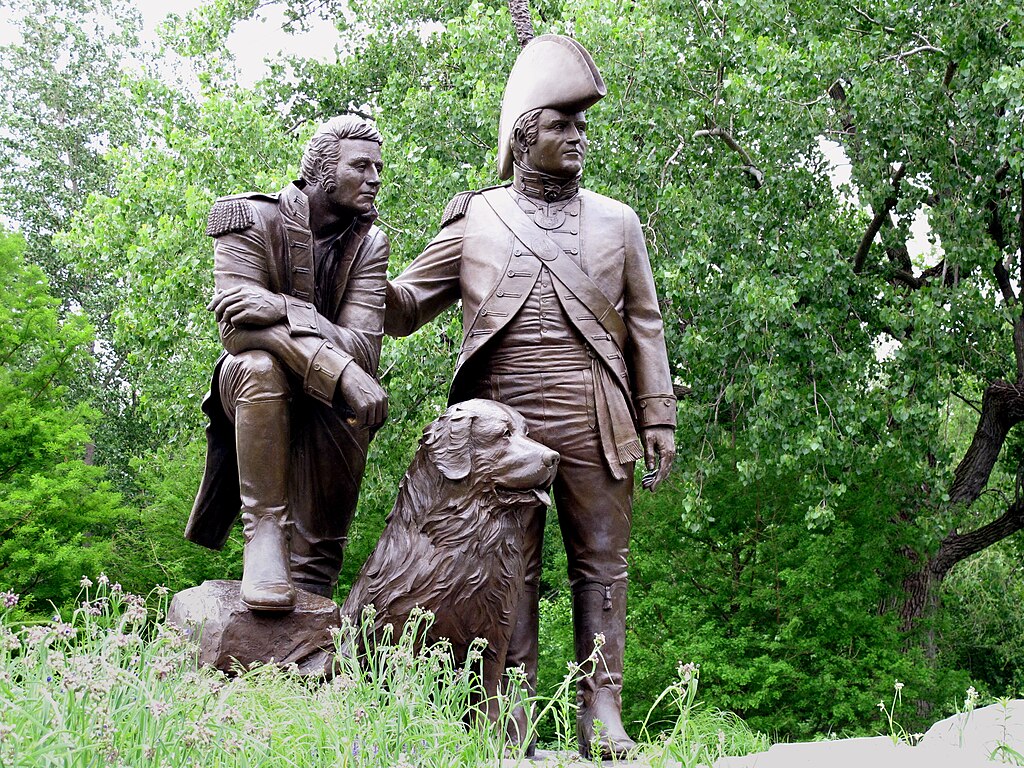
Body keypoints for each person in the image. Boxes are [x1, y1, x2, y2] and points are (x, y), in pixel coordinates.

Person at [385, 35, 677, 759]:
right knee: (507, 568)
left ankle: (600, 715)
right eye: (561, 126)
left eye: (582, 128)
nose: (577, 139)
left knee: (603, 564)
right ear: (523, 138)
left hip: (593, 408)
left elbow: (646, 322)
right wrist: (356, 250)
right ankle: (504, 717)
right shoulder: (475, 218)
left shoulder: (619, 221)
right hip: (500, 422)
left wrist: (658, 413)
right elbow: (402, 308)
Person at [185, 115, 389, 612]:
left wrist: (282, 308)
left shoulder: (371, 243)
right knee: (259, 364)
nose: (375, 178)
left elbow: (362, 349)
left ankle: (312, 616)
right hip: (251, 386)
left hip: (331, 399)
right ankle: (264, 536)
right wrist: (336, 366)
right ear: (321, 171)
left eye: (379, 168)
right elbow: (235, 328)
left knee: (319, 562)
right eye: (360, 166)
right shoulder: (249, 218)